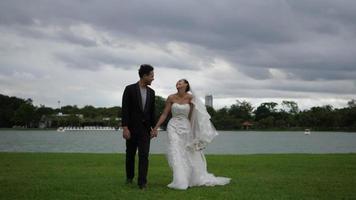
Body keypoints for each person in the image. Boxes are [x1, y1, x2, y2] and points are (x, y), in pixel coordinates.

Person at [152, 79, 230, 190]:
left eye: (181, 82)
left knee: (187, 153)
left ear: (186, 85)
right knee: (176, 151)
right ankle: (179, 180)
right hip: (173, 126)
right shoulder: (171, 98)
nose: (178, 83)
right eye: (177, 82)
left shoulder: (191, 98)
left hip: (186, 127)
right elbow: (164, 114)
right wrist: (155, 128)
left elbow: (192, 117)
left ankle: (190, 178)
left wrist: (194, 133)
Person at [121, 64, 156, 190]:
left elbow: (152, 112)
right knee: (130, 155)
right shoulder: (129, 89)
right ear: (145, 76)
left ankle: (142, 182)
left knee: (144, 155)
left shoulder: (152, 93)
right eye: (151, 76)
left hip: (145, 130)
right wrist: (125, 128)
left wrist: (154, 128)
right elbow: (125, 109)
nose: (153, 78)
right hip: (131, 129)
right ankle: (129, 177)